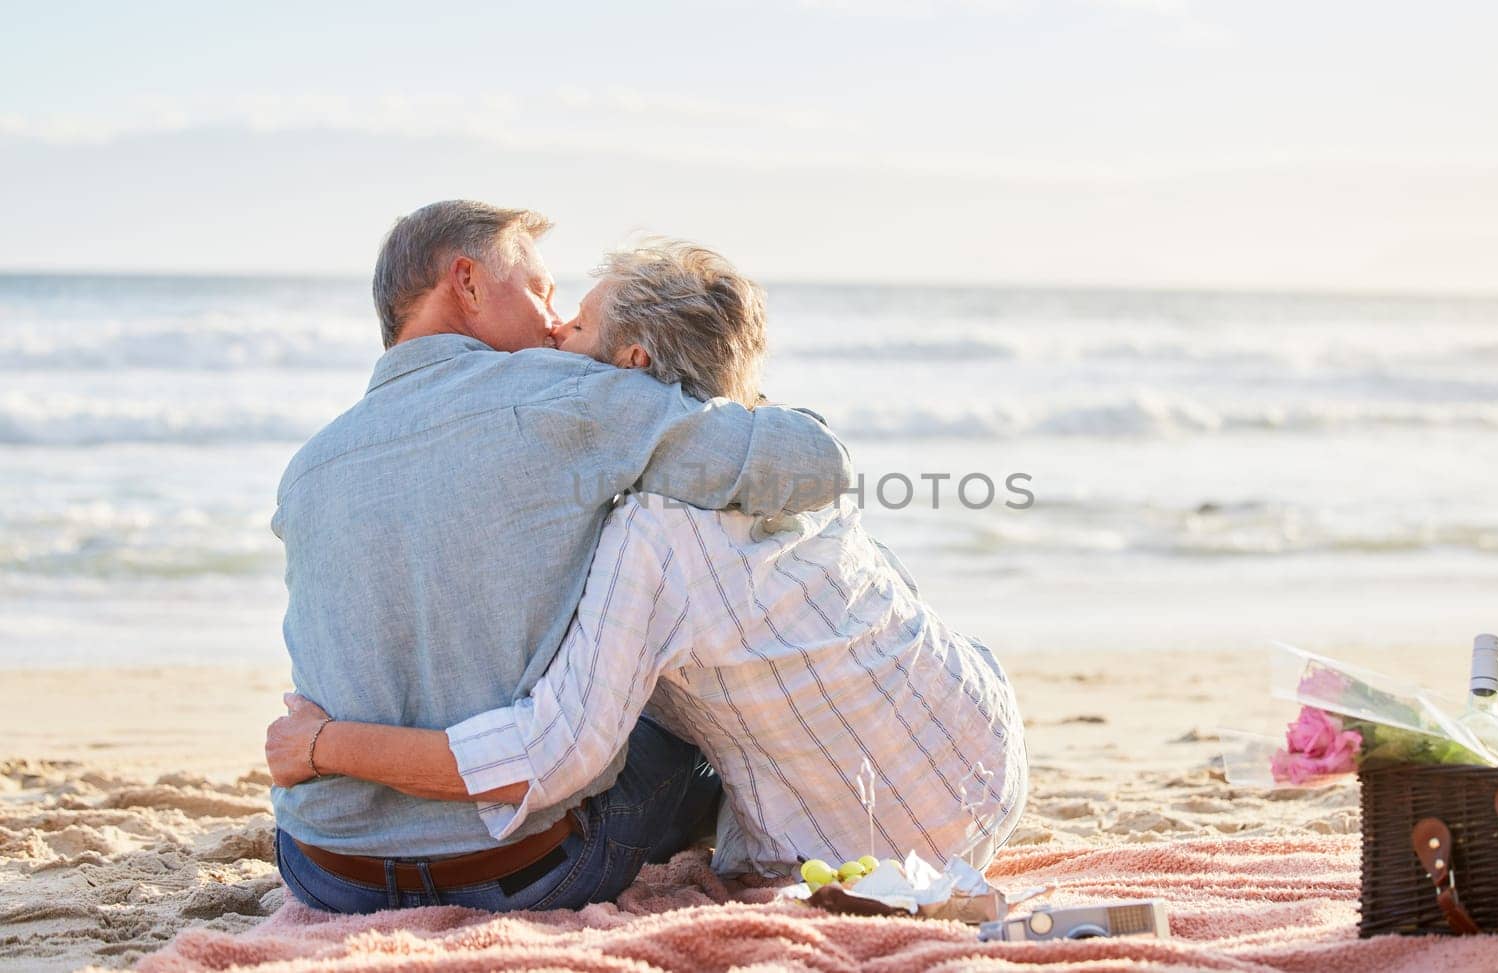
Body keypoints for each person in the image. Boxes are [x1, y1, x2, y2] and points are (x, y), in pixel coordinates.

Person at [269, 241, 1027, 879]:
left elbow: (548, 754)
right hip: (986, 764)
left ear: (628, 364)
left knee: (632, 711)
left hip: (852, 850)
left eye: (576, 323)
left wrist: (322, 744)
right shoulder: (750, 457)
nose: (556, 328)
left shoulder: (649, 532)